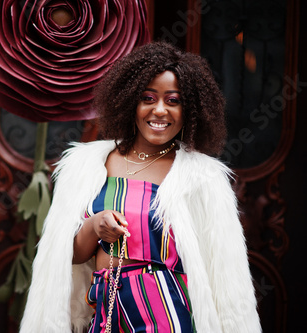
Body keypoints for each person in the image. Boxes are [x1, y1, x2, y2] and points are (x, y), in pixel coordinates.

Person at [20, 41, 261, 333]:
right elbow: (65, 256)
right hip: (106, 308)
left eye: (173, 100)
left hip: (163, 310)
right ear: (130, 101)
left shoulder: (203, 179)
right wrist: (95, 225)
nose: (160, 110)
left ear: (190, 110)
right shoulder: (85, 167)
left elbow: (228, 278)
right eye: (148, 98)